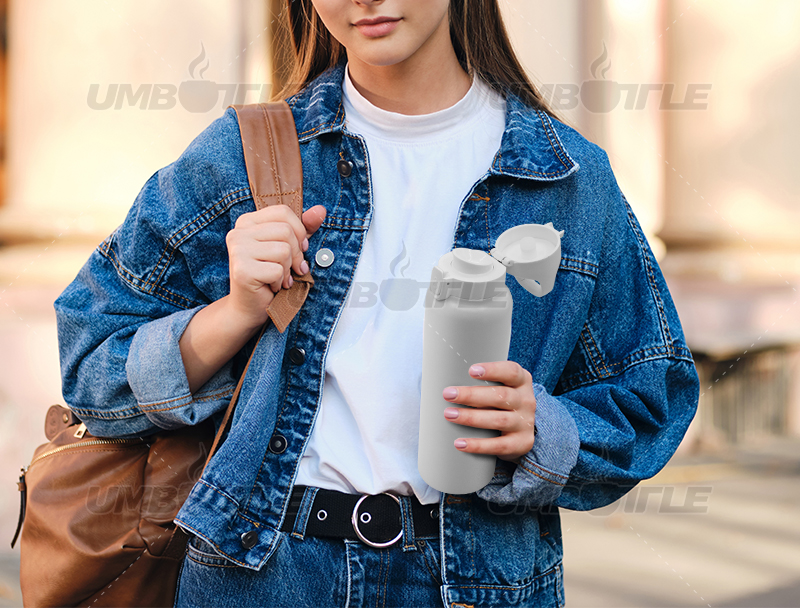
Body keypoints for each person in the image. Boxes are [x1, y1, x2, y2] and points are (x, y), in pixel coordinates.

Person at [53, 0, 700, 606]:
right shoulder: (244, 159)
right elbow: (91, 363)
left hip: (481, 578)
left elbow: (653, 393)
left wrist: (543, 431)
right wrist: (235, 312)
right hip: (269, 573)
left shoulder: (566, 179)